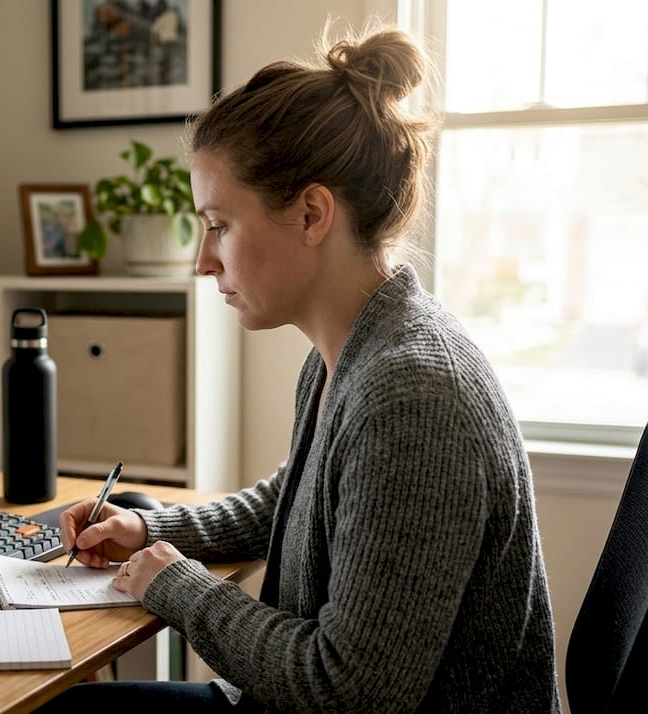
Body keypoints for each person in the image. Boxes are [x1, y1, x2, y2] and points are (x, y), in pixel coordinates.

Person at [39, 22, 560, 714]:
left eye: (219, 225)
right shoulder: (350, 353)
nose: (203, 260)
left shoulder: (412, 396)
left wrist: (180, 585)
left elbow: (346, 690)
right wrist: (154, 531)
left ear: (313, 213)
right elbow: (291, 501)